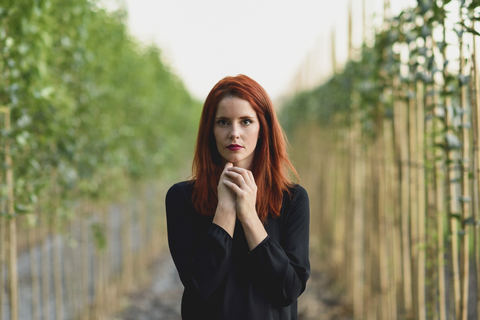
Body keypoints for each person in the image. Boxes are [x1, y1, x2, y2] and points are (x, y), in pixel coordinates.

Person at [165, 74, 310, 320]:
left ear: (262, 128)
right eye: (223, 122)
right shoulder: (182, 197)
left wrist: (249, 215)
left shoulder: (292, 199)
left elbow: (288, 290)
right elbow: (199, 285)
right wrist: (225, 210)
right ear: (210, 130)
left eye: (245, 121)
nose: (234, 133)